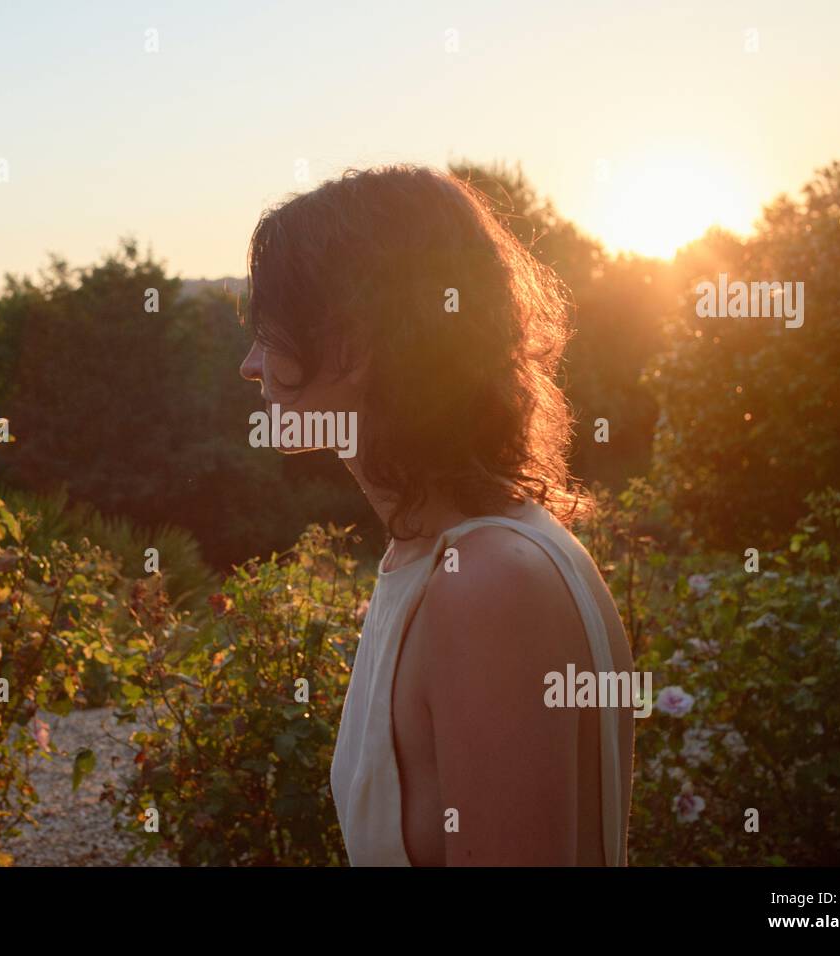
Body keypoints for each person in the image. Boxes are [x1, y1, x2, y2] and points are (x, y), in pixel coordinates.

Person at [238, 164, 634, 866]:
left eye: (270, 330)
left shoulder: (488, 585)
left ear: (351, 347)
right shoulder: (442, 559)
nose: (250, 364)